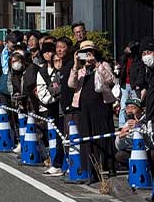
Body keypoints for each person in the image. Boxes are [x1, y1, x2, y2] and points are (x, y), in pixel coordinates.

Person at [68, 40, 116, 184]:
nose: (87, 55)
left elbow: (110, 80)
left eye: (89, 52)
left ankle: (107, 167)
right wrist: (75, 65)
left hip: (100, 106)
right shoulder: (80, 70)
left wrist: (96, 64)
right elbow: (71, 84)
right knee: (86, 137)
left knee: (102, 136)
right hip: (84, 107)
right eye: (84, 52)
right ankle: (91, 170)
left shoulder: (102, 65)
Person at [37, 41, 64, 176]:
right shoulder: (42, 71)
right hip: (50, 105)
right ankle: (57, 162)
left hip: (63, 105)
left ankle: (60, 163)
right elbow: (41, 90)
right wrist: (50, 98)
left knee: (63, 134)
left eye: (50, 51)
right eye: (45, 52)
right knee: (57, 134)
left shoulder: (62, 69)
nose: (48, 54)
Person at [114, 96, 152, 168]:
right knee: (119, 155)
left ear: (141, 110)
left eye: (133, 107)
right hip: (134, 151)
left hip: (146, 150)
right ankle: (135, 169)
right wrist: (120, 137)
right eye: (127, 108)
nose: (129, 110)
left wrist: (139, 127)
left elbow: (151, 143)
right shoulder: (126, 124)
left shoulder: (148, 122)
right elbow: (119, 147)